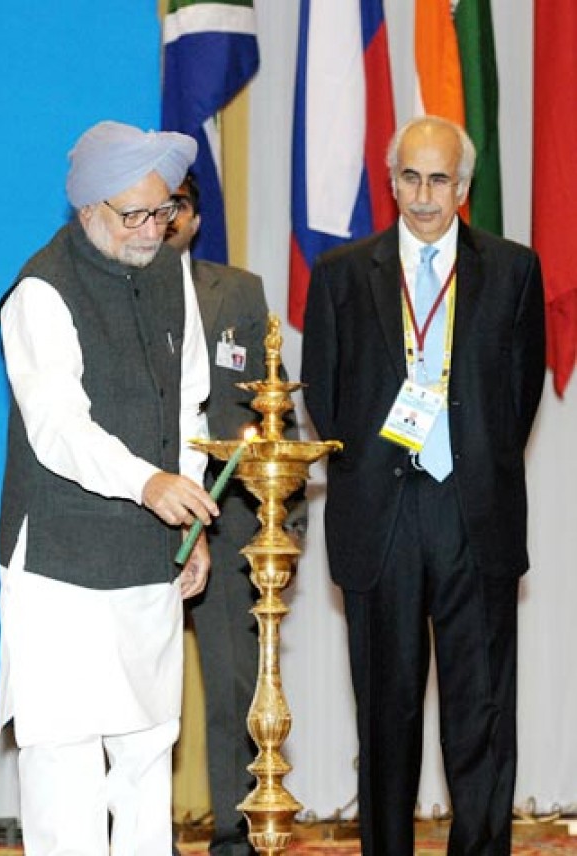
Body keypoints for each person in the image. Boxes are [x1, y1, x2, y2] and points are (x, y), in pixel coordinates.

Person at [301, 115, 545, 856]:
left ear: (463, 187)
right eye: (410, 177)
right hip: (382, 516)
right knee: (387, 717)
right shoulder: (343, 274)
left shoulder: (513, 270)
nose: (424, 195)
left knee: (482, 716)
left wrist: (471, 458)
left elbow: (519, 394)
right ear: (391, 181)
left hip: (474, 513)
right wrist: (383, 460)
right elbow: (325, 395)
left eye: (439, 179)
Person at [0, 120, 218, 855]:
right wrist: (147, 483)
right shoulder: (40, 290)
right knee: (65, 764)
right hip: (59, 565)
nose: (153, 230)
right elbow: (58, 428)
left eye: (165, 211)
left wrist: (189, 521)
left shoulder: (170, 272)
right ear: (88, 208)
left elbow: (187, 403)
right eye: (135, 215)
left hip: (148, 560)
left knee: (148, 750)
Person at [166, 174, 306, 856]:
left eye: (181, 206)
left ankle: (235, 837)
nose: (167, 218)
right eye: (155, 205)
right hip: (135, 515)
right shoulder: (109, 294)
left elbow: (273, 407)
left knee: (233, 690)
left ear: (196, 219)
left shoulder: (240, 292)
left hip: (228, 521)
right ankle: (138, 836)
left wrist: (288, 516)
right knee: (140, 699)